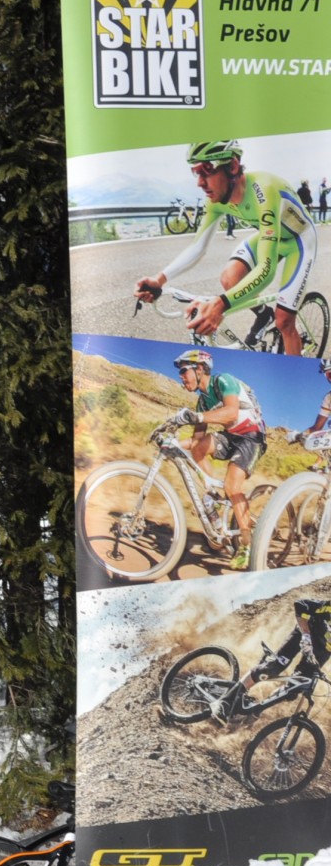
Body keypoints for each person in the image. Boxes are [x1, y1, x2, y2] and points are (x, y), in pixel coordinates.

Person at [135, 140, 318, 355]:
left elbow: (266, 269)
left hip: (299, 241)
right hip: (271, 234)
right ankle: (263, 314)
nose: (200, 183)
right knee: (229, 279)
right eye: (196, 172)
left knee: (284, 321)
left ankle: (294, 369)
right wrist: (159, 279)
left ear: (232, 166)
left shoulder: (264, 190)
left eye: (207, 170)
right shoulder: (215, 200)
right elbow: (197, 247)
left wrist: (220, 305)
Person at [166, 347, 265, 569]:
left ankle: (247, 544)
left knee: (232, 486)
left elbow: (231, 413)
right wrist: (172, 444)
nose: (181, 377)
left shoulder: (223, 380)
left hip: (252, 436)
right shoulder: (202, 402)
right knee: (199, 448)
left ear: (200, 369)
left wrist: (197, 417)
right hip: (231, 437)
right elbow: (196, 441)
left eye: (183, 371)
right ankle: (213, 495)